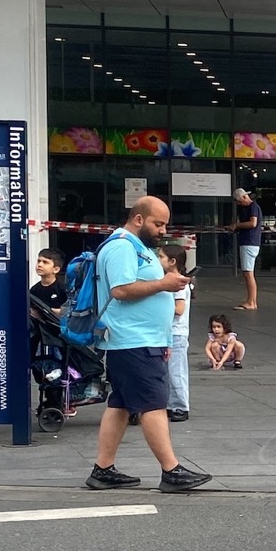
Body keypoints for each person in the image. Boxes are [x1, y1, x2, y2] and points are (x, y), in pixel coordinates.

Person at [85, 196, 209, 493]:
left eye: (165, 224)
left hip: (139, 339)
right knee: (154, 403)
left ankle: (103, 469)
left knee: (121, 404)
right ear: (138, 219)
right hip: (133, 340)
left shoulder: (138, 248)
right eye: (158, 223)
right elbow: (122, 289)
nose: (162, 230)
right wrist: (164, 284)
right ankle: (171, 470)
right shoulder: (122, 247)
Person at [164, 252, 192, 422]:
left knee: (176, 371)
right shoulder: (168, 282)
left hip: (177, 333)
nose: (158, 260)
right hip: (168, 332)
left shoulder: (178, 283)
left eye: (161, 257)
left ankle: (180, 406)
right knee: (167, 372)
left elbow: (179, 309)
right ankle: (170, 404)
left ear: (172, 261)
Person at [231, 188, 263, 311]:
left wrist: (237, 225)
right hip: (250, 242)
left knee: (248, 273)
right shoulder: (251, 207)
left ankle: (251, 301)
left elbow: (252, 223)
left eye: (239, 201)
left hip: (249, 243)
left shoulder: (253, 207)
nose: (239, 204)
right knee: (248, 273)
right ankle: (251, 300)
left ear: (244, 198)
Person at [30, 248, 70, 316]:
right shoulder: (34, 290)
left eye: (45, 262)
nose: (40, 265)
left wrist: (49, 310)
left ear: (56, 269)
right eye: (39, 261)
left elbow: (69, 311)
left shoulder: (64, 289)